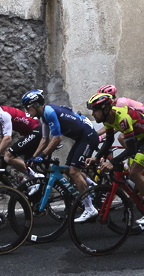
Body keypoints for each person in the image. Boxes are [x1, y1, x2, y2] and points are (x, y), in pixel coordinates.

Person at [87, 91, 144, 228]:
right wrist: (96, 157)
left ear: (105, 109)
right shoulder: (108, 118)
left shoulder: (122, 118)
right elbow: (109, 140)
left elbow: (131, 149)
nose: (93, 114)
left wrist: (112, 162)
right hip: (142, 137)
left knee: (134, 172)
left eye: (95, 111)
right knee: (132, 172)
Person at [20, 90, 99, 222]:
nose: (26, 111)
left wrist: (42, 155)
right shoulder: (43, 116)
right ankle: (93, 187)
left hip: (88, 136)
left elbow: (57, 139)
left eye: (27, 107)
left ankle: (90, 208)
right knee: (68, 169)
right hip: (81, 138)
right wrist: (34, 157)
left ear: (36, 104)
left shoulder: (49, 112)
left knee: (74, 171)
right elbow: (44, 140)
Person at [0, 90, 41, 195]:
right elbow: (0, 138)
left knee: (8, 156)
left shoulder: (3, 114)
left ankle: (35, 178)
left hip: (36, 132)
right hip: (30, 134)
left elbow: (7, 139)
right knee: (27, 164)